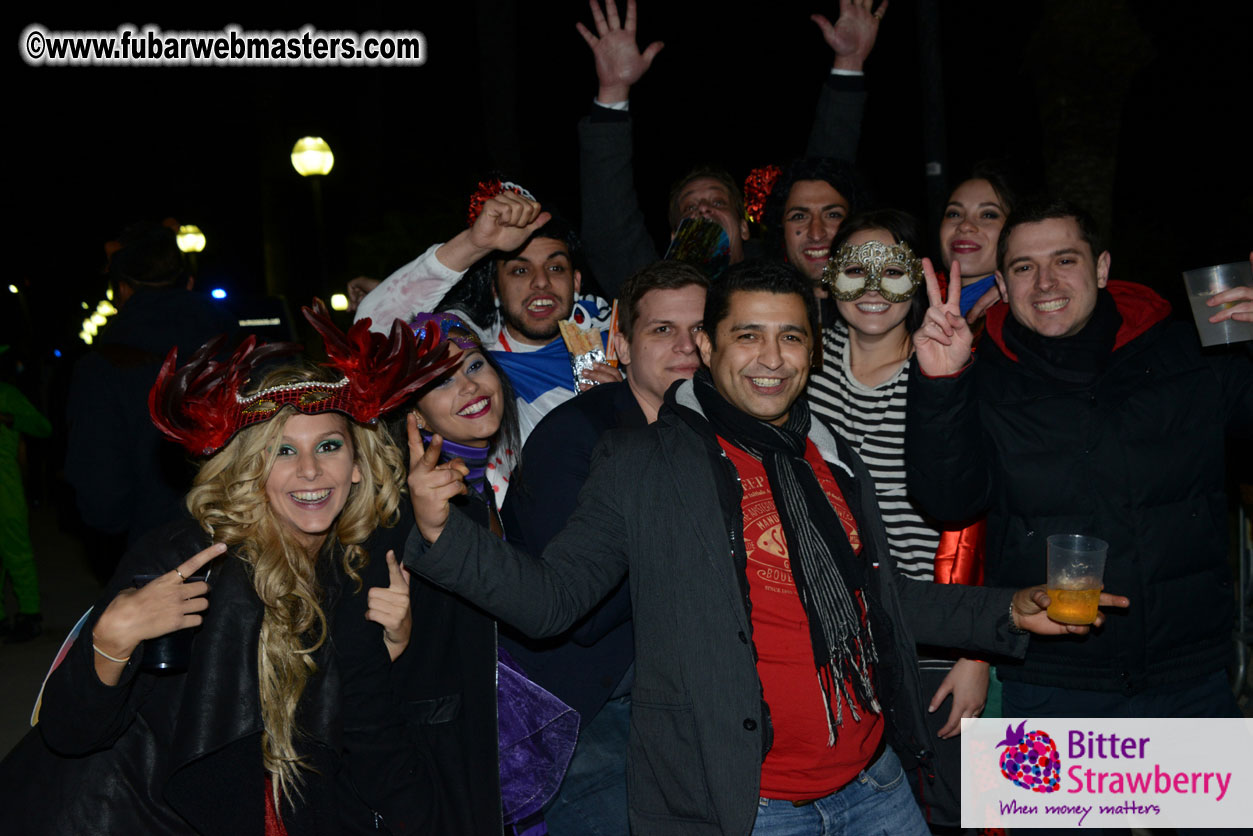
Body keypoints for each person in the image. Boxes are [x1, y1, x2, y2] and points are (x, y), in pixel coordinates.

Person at [406, 258, 1124, 835]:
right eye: (747, 335)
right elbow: (550, 600)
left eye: (789, 337)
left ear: (810, 350)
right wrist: (442, 533)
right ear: (708, 348)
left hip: (872, 784)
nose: (770, 358)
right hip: (750, 806)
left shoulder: (827, 454)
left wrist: (1007, 612)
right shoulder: (643, 462)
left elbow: (877, 601)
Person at [0, 309, 462, 835]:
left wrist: (389, 652)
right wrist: (113, 635)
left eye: (328, 447)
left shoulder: (350, 564)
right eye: (282, 451)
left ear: (357, 465)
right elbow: (69, 731)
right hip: (118, 815)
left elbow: (359, 729)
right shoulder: (190, 557)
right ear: (251, 467)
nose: (309, 471)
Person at [906, 198, 1252, 728]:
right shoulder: (984, 375)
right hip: (1051, 683)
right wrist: (941, 385)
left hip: (1191, 680)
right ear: (1002, 282)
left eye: (1065, 260)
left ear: (1103, 267)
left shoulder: (1190, 356)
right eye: (1024, 267)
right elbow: (948, 502)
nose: (1045, 283)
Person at [500, 260, 709, 835]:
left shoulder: (722, 433)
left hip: (687, 708)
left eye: (700, 329)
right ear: (620, 340)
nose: (686, 347)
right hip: (590, 716)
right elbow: (579, 611)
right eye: (662, 330)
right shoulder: (576, 437)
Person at [804, 211, 981, 827]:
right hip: (834, 646)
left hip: (934, 640)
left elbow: (987, 512)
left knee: (963, 812)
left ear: (918, 278)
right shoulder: (798, 367)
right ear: (826, 281)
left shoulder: (948, 369)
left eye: (892, 270)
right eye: (855, 269)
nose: (874, 286)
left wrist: (977, 652)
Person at [397, 311, 577, 836]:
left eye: (475, 365)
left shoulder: (485, 485)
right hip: (439, 755)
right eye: (441, 381)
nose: (470, 386)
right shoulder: (416, 504)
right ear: (416, 417)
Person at [576, 0, 885, 295]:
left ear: (744, 228)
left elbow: (823, 183)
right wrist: (613, 92)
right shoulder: (654, 292)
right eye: (690, 209)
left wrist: (849, 64)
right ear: (674, 237)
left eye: (718, 203)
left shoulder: (785, 281)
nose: (705, 211)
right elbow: (610, 227)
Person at [356, 191, 618, 499]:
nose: (541, 282)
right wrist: (474, 243)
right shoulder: (473, 356)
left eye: (555, 267)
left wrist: (627, 407)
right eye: (520, 270)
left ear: (575, 282)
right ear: (495, 290)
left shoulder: (619, 342)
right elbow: (372, 333)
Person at [65, 222, 235, 556]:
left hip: (159, 556)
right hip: (253, 543)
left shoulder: (103, 368)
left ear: (123, 290)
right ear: (188, 282)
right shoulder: (241, 347)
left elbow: (102, 498)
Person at [0, 345, 52, 642]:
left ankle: (30, 612)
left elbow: (43, 427)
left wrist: (11, 419)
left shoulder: (7, 393)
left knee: (16, 550)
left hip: (5, 487)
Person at [936, 166, 1017, 320]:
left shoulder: (1025, 314)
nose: (965, 225)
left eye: (988, 215)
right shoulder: (907, 305)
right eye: (954, 214)